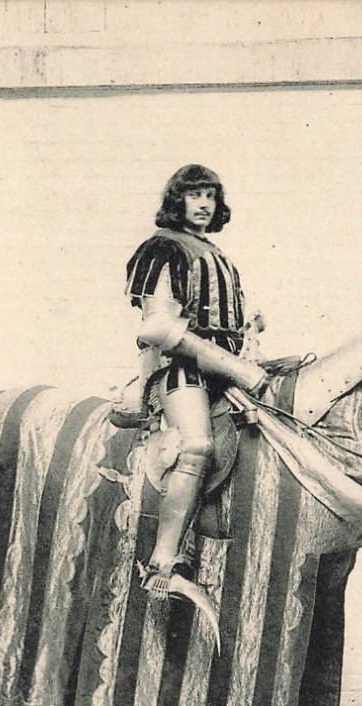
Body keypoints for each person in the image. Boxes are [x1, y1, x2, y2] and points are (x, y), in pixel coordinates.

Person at [125, 164, 266, 599]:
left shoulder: (220, 257)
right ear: (177, 201)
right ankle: (162, 563)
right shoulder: (162, 249)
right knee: (198, 446)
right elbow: (157, 329)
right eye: (194, 195)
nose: (204, 204)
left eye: (210, 195)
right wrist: (236, 367)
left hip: (225, 376)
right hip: (183, 373)